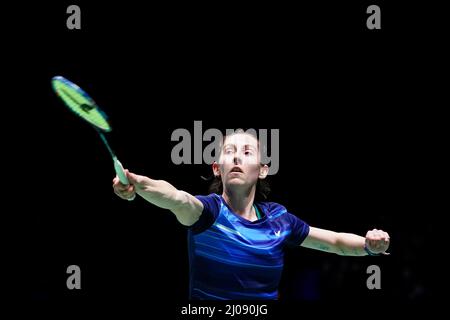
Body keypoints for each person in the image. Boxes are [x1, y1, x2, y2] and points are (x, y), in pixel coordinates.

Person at [113, 130, 390, 300]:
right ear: (216, 169)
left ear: (263, 169)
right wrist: (138, 184)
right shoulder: (208, 213)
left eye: (247, 152)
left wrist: (369, 246)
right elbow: (174, 196)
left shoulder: (280, 220)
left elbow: (335, 242)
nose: (236, 158)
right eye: (229, 152)